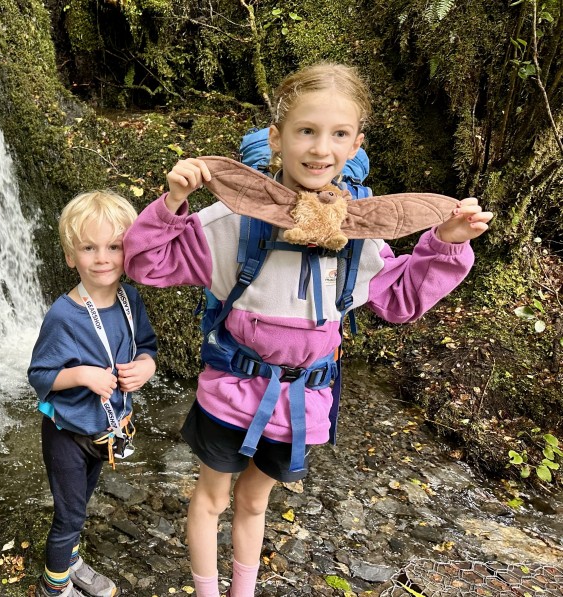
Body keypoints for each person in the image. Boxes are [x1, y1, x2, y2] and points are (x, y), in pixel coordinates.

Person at [122, 63, 493, 597]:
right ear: (277, 138)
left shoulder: (360, 238)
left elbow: (401, 298)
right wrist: (173, 203)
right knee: (212, 498)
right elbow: (146, 263)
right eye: (306, 131)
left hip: (299, 403)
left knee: (254, 502)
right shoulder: (232, 223)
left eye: (338, 134)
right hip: (229, 393)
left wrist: (449, 241)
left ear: (356, 143)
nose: (321, 148)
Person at [28, 190, 159, 597]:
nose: (102, 258)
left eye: (114, 246)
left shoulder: (129, 299)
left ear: (129, 251)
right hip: (67, 433)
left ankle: (69, 562)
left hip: (105, 432)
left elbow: (148, 347)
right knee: (69, 516)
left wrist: (145, 368)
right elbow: (39, 375)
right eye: (88, 247)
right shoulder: (63, 315)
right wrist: (81, 374)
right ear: (71, 256)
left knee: (79, 508)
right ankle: (54, 587)